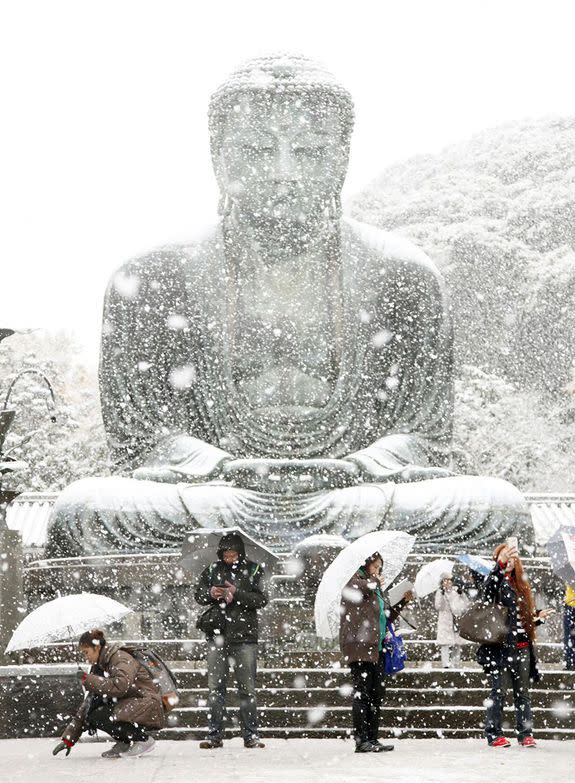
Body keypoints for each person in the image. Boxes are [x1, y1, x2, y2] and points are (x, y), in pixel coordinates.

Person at [46, 53, 532, 560]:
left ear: (342, 157)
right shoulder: (152, 276)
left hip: (354, 495)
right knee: (86, 510)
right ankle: (301, 546)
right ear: (220, 157)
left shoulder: (402, 273)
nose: (283, 174)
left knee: (497, 508)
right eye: (256, 149)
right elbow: (140, 441)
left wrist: (359, 467)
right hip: (216, 495)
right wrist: (220, 467)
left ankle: (269, 545)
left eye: (309, 151)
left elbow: (425, 439)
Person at [194, 532, 268, 749]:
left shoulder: (254, 569)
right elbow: (198, 595)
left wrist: (237, 594)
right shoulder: (212, 570)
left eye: (233, 554)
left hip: (245, 637)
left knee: (247, 689)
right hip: (217, 635)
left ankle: (251, 735)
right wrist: (211, 593)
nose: (229, 558)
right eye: (226, 555)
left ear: (240, 553)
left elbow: (261, 599)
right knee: (215, 688)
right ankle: (214, 735)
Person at [477, 542, 554, 748]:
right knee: (498, 692)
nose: (509, 560)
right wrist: (499, 568)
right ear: (498, 560)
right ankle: (494, 734)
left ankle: (525, 733)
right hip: (501, 648)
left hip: (522, 647)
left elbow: (521, 621)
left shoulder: (520, 585)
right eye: (504, 556)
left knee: (523, 694)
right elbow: (486, 596)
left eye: (511, 556)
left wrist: (537, 618)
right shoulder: (494, 581)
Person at [339, 551, 412, 753]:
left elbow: (385, 617)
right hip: (360, 645)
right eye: (376, 566)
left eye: (380, 567)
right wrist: (373, 581)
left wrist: (402, 601)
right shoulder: (354, 580)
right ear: (366, 564)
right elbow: (359, 591)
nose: (378, 571)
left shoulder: (373, 586)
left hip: (377, 646)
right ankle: (361, 740)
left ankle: (372, 737)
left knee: (377, 693)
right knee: (363, 693)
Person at [52, 629, 164, 759]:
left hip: (146, 703)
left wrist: (88, 679)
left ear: (97, 647)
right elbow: (88, 704)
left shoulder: (120, 658)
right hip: (131, 704)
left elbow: (120, 686)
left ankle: (143, 740)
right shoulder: (100, 666)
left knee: (100, 715)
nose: (85, 657)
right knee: (93, 712)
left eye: (86, 652)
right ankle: (124, 742)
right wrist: (69, 739)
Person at [434, 573, 469, 668]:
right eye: (445, 580)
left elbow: (464, 606)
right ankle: (445, 664)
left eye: (449, 580)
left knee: (457, 643)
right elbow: (438, 606)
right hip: (445, 621)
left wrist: (462, 594)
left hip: (456, 620)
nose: (448, 582)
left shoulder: (456, 592)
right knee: (444, 644)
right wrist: (442, 595)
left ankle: (455, 663)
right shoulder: (440, 592)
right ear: (442, 582)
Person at [563, 582, 575, 670]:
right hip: (570, 607)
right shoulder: (570, 574)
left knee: (569, 637)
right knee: (568, 636)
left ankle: (570, 661)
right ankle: (569, 661)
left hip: (570, 607)